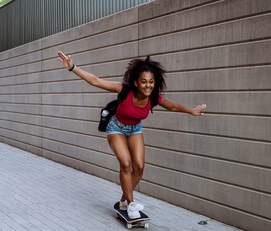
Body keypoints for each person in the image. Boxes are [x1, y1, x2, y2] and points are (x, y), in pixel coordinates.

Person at [57, 51, 206, 219]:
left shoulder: (154, 97)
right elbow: (96, 81)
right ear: (136, 82)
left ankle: (123, 201)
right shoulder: (125, 90)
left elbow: (172, 106)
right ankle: (132, 204)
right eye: (143, 82)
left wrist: (191, 111)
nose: (148, 86)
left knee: (139, 167)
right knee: (126, 164)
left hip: (135, 129)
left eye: (151, 82)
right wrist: (73, 67)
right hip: (116, 128)